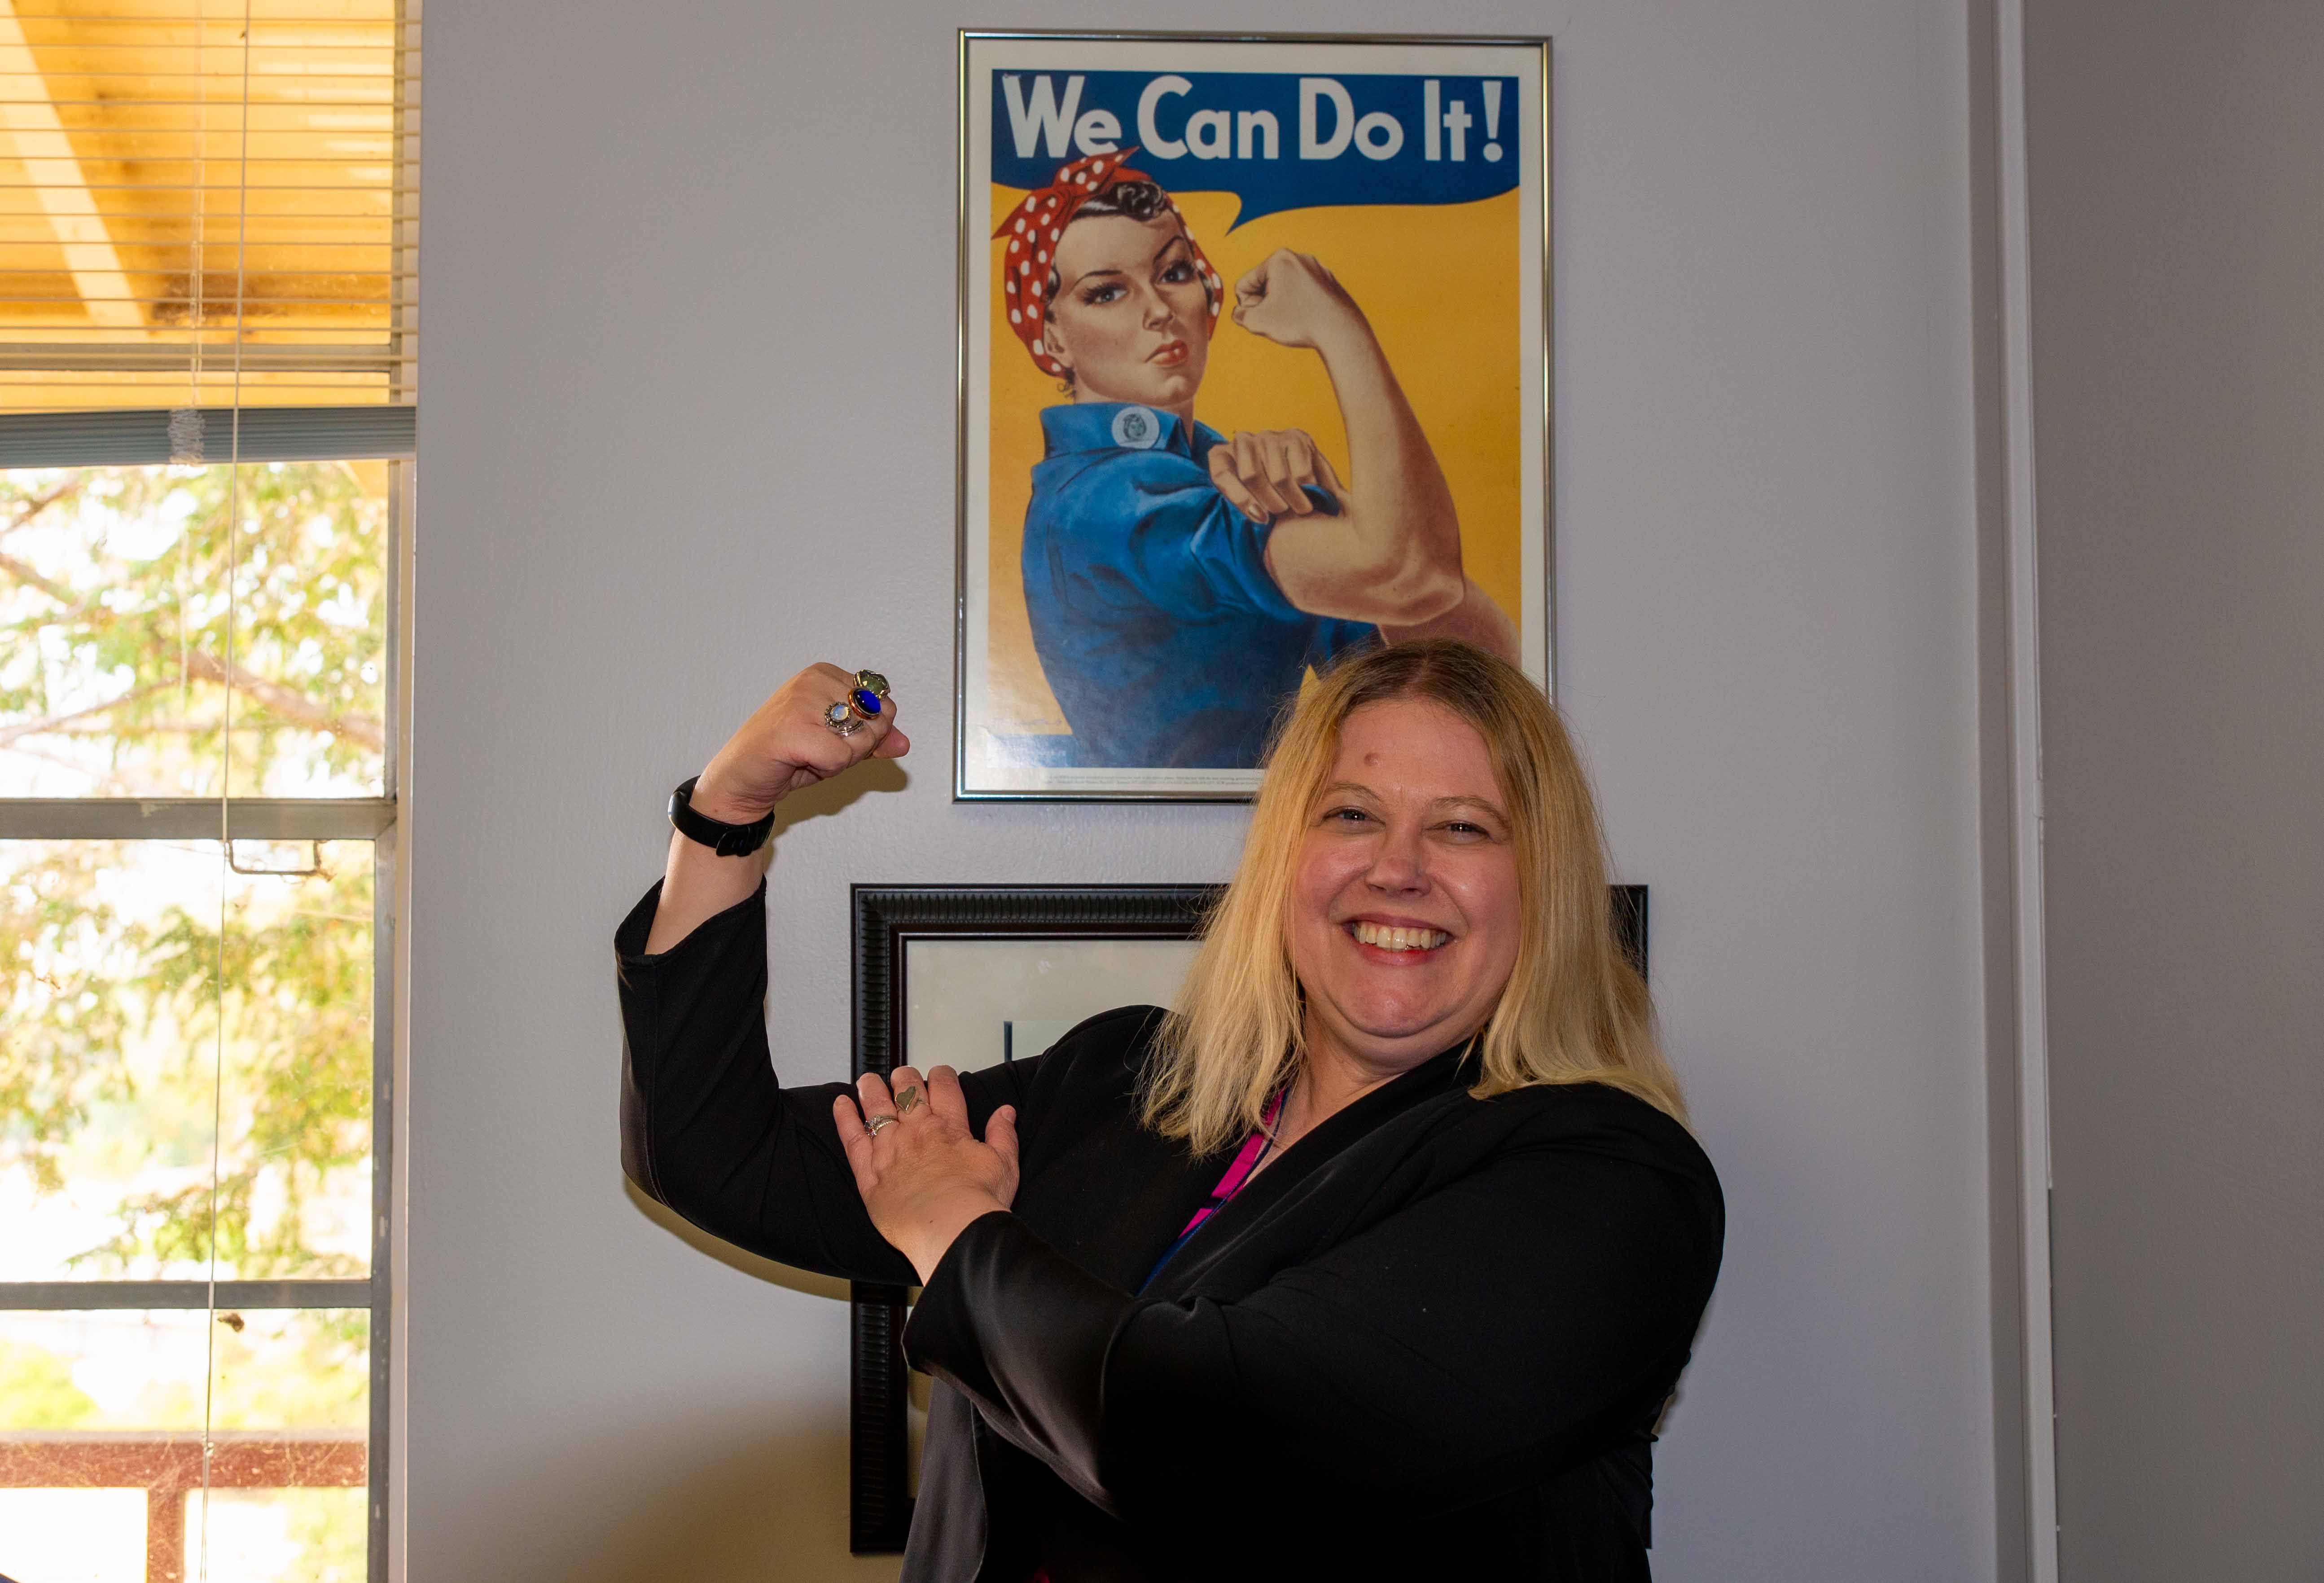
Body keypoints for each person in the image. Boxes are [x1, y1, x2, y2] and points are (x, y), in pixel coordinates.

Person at [617, 642, 1722, 1582]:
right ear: (1287, 857)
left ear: (1545, 883)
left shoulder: (1607, 1182)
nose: (1397, 868)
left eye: (1465, 828)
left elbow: (1196, 1438)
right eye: (1351, 813)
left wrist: (956, 1230)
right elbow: (719, 1152)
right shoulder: (1127, 1078)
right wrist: (728, 810)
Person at [997, 149, 1520, 769]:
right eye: (1107, 292)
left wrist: (1332, 500)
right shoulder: (1102, 500)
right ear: (1053, 336)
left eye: (1173, 273)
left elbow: (1479, 670)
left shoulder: (1207, 470)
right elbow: (1409, 575)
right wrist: (1340, 329)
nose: (1159, 310)